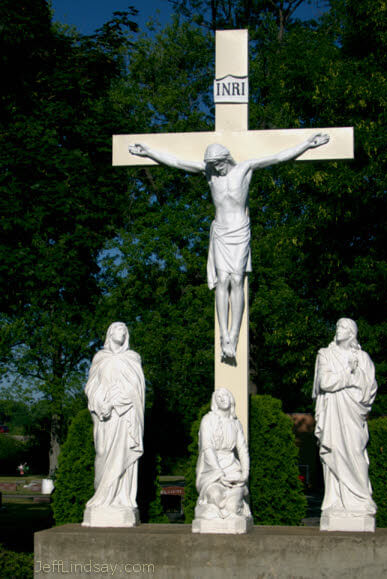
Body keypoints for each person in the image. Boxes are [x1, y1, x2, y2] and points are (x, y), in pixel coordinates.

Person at [129, 133, 329, 359]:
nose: (216, 169)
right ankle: (224, 334)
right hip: (221, 232)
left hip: (239, 230)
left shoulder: (244, 169)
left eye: (218, 165)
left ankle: (234, 333)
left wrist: (306, 144)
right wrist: (149, 153)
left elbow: (278, 157)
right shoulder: (210, 174)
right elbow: (177, 162)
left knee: (237, 280)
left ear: (226, 159)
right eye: (212, 166)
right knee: (222, 281)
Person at [312, 318, 378, 530]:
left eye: (342, 327)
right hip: (333, 413)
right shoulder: (325, 354)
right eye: (337, 325)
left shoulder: (363, 358)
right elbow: (324, 382)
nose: (337, 329)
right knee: (335, 452)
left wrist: (355, 376)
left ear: (351, 333)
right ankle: (336, 502)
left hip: (353, 413)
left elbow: (369, 389)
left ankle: (361, 500)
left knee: (355, 453)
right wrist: (348, 376)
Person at [82, 322, 145, 527]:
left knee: (123, 453)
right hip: (105, 415)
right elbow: (91, 386)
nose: (122, 332)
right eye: (118, 329)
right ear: (110, 333)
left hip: (125, 415)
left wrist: (122, 398)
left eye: (125, 330)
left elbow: (138, 389)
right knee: (102, 452)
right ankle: (101, 497)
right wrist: (102, 402)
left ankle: (121, 499)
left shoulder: (132, 358)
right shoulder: (100, 358)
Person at [194, 387, 251, 522]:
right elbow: (207, 449)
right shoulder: (207, 420)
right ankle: (214, 511)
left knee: (232, 504)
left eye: (225, 395)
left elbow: (242, 449)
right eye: (218, 397)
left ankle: (235, 508)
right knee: (215, 496)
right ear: (215, 402)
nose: (222, 398)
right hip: (211, 470)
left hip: (232, 469)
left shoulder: (236, 424)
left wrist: (245, 473)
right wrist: (219, 474)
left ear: (231, 399)